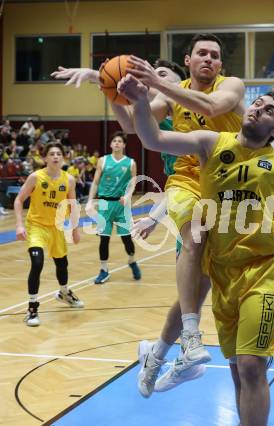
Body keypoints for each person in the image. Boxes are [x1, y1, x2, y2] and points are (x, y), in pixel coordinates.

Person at [120, 75, 274, 425]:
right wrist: (141, 102)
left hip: (263, 268)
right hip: (222, 272)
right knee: (237, 369)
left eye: (269, 111)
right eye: (259, 104)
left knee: (250, 365)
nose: (259, 108)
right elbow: (153, 138)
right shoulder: (210, 142)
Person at [51, 34, 245, 396]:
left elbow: (212, 106)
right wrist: (105, 84)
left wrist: (145, 83)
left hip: (229, 190)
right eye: (201, 52)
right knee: (195, 238)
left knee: (200, 288)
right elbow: (131, 125)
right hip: (186, 186)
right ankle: (191, 340)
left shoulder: (228, 86)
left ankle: (155, 357)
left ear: (220, 64)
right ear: (187, 59)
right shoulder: (165, 99)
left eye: (214, 55)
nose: (208, 59)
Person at [14, 141, 83, 327]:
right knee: (37, 263)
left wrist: (75, 230)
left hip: (57, 227)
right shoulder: (36, 177)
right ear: (45, 158)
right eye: (51, 154)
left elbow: (73, 206)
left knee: (62, 264)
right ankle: (32, 308)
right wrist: (19, 225)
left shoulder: (69, 180)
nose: (55, 156)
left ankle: (64, 292)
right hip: (36, 225)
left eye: (58, 154)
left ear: (63, 158)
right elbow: (19, 200)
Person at [85, 131, 141, 284]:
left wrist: (129, 195)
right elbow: (95, 183)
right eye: (114, 141)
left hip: (122, 204)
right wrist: (90, 200)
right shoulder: (102, 161)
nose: (117, 143)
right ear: (110, 144)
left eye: (119, 141)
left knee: (126, 239)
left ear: (124, 145)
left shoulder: (130, 163)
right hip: (104, 203)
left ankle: (131, 260)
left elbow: (133, 184)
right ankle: (104, 270)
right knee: (104, 239)